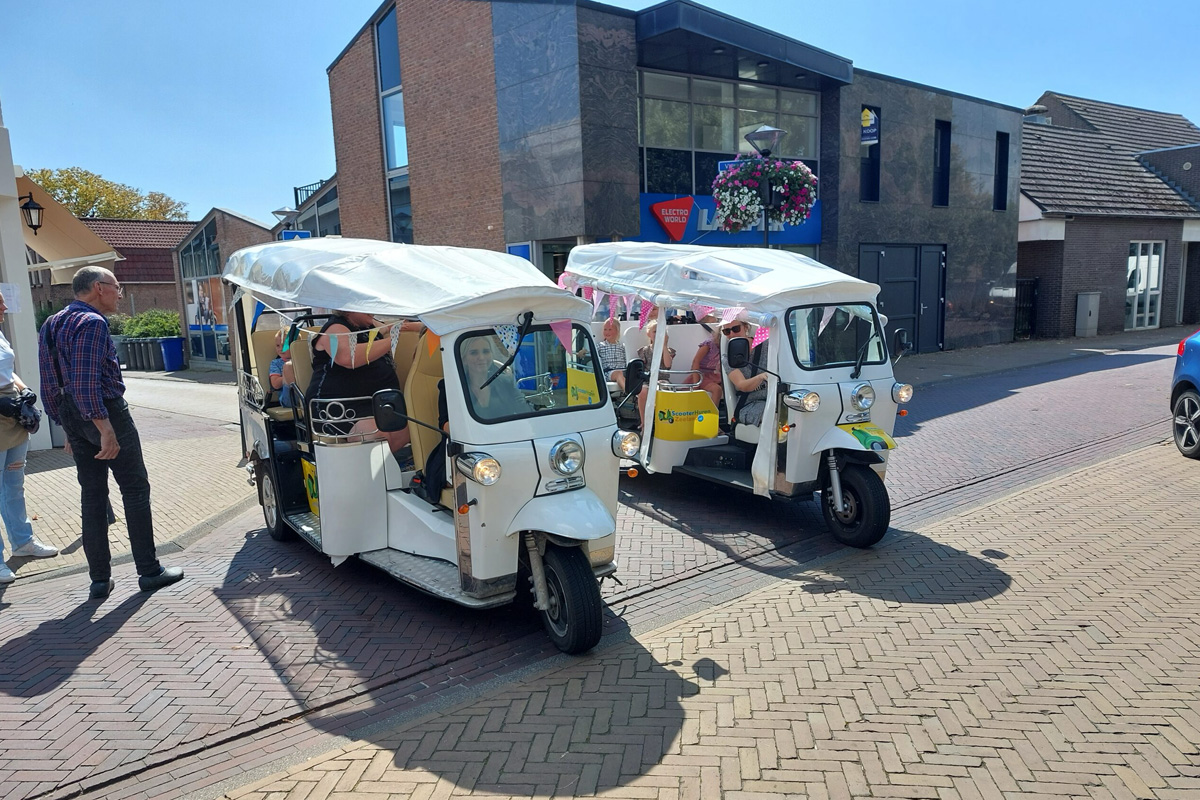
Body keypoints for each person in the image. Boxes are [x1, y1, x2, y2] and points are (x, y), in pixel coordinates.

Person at [38, 266, 184, 599]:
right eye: (117, 287)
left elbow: (51, 382)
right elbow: (86, 381)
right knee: (134, 489)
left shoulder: (51, 323)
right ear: (99, 288)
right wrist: (104, 428)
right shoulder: (92, 323)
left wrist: (67, 429)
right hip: (104, 412)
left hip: (71, 415)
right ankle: (149, 571)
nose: (120, 293)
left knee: (92, 495)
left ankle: (99, 580)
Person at [0, 291, 58, 585]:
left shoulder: (0, 333)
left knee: (14, 483)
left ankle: (22, 542)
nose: (4, 306)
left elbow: (8, 372)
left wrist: (24, 390)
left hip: (12, 413)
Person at [308, 310, 414, 455]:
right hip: (341, 407)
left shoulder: (367, 323)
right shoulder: (334, 328)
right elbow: (348, 357)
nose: (372, 310)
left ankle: (387, 470)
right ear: (349, 309)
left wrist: (429, 327)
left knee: (410, 430)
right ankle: (372, 472)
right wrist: (392, 341)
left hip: (377, 403)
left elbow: (397, 327)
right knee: (377, 435)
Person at [459, 335, 531, 420]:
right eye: (474, 353)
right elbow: (446, 424)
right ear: (464, 359)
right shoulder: (451, 386)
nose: (481, 357)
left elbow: (525, 410)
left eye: (486, 352)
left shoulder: (506, 382)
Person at [725, 321, 770, 426]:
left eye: (736, 329)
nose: (731, 334)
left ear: (745, 327)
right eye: (726, 331)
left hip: (774, 397)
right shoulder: (727, 358)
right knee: (771, 413)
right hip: (749, 403)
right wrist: (761, 377)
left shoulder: (767, 345)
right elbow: (742, 386)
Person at [635, 320, 675, 431]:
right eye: (655, 331)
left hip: (662, 379)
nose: (658, 334)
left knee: (663, 390)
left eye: (661, 332)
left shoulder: (668, 350)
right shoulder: (644, 350)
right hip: (648, 379)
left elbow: (667, 365)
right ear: (648, 333)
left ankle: (663, 423)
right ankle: (644, 423)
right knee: (643, 392)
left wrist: (664, 345)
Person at [687, 322, 724, 408]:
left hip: (714, 375)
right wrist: (696, 384)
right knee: (717, 390)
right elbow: (695, 361)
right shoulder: (709, 344)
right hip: (701, 375)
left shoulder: (728, 344)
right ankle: (712, 416)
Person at [595, 318, 629, 391]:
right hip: (609, 372)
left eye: (610, 330)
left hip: (623, 371)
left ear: (617, 331)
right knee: (619, 374)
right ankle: (628, 392)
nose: (607, 332)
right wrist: (584, 351)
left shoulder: (622, 346)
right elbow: (591, 351)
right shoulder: (600, 345)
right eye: (605, 329)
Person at [269, 329, 294, 407]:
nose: (280, 349)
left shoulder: (303, 359)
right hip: (288, 399)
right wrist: (289, 375)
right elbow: (275, 384)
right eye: (278, 346)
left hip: (306, 394)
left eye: (284, 345)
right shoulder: (276, 363)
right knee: (289, 366)